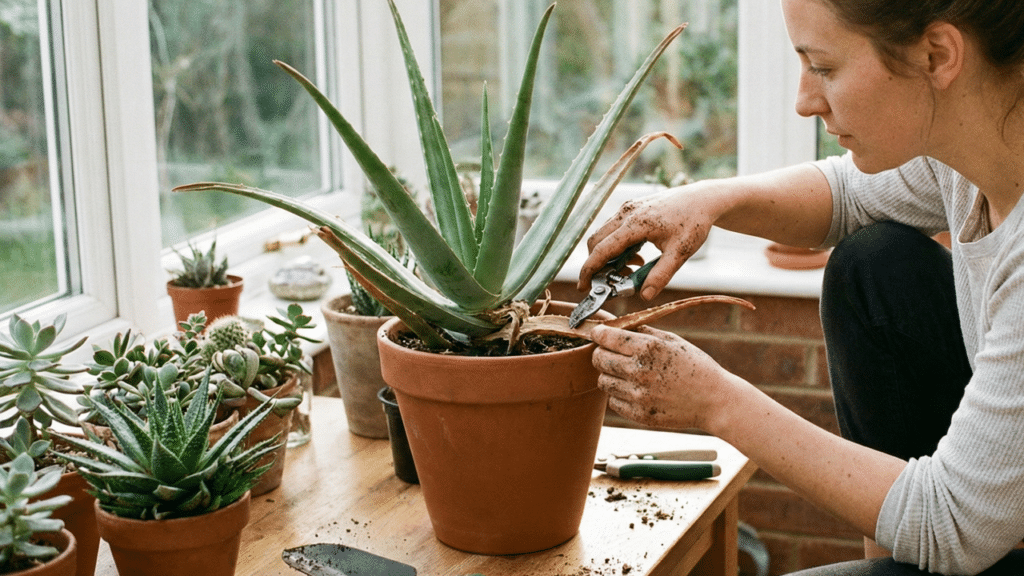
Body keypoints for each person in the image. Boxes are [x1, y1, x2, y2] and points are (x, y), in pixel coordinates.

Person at [577, 1, 1024, 574]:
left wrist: (715, 401)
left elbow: (952, 525)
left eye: (824, 67)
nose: (804, 101)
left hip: (970, 528)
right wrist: (706, 201)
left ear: (937, 55)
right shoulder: (975, 153)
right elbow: (848, 197)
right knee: (873, 263)